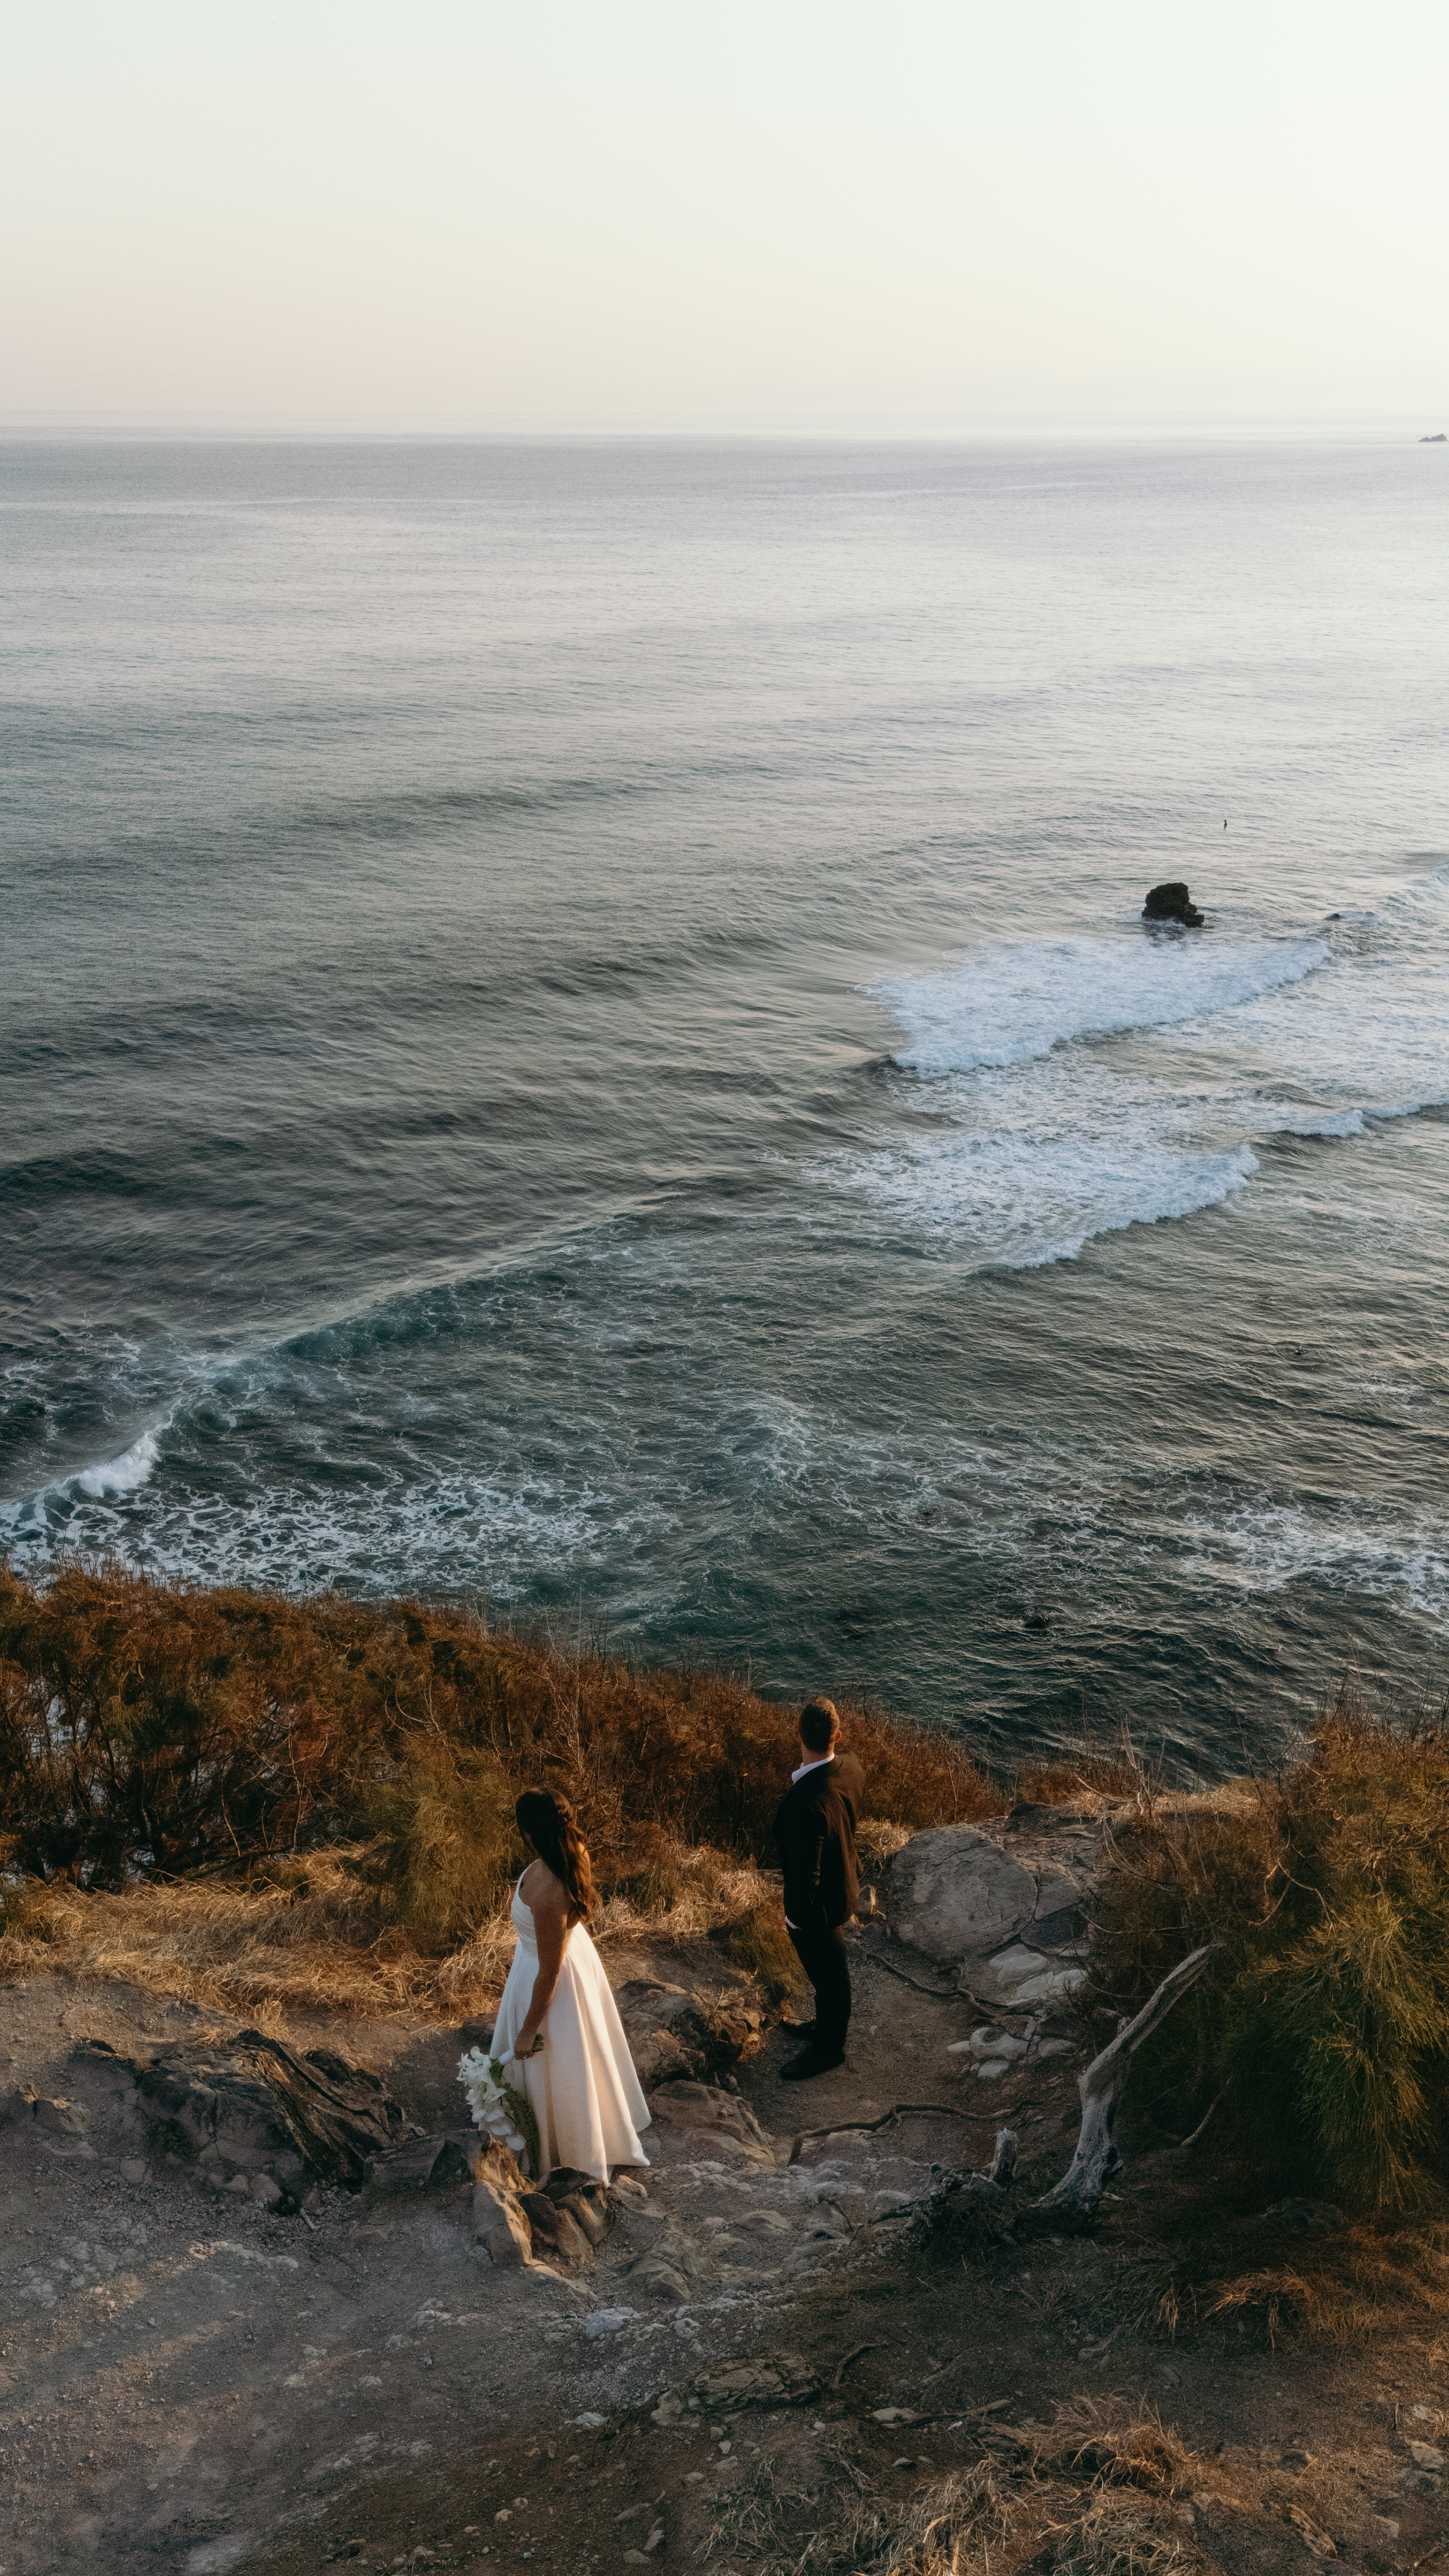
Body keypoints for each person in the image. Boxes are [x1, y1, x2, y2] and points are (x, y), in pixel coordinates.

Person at [490, 1787, 651, 2182]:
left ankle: (562, 2146)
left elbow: (549, 1970)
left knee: (558, 2061)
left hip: (548, 1976)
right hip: (576, 1956)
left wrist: (528, 2031)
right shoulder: (575, 1850)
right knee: (582, 2055)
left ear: (528, 1832)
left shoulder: (545, 1890)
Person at [773, 1697, 860, 2081]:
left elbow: (805, 1874)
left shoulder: (804, 1802)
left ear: (799, 1736)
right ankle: (823, 2027)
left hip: (819, 1909)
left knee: (831, 1979)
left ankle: (828, 2050)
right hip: (845, 1883)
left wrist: (795, 1920)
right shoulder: (853, 1768)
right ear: (837, 1736)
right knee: (828, 1977)